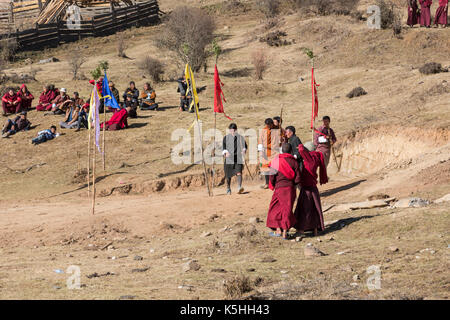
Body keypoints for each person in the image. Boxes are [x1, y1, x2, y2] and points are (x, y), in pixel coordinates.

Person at [266, 143, 302, 240]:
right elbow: (298, 178)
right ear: (291, 151)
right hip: (290, 189)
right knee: (287, 210)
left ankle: (281, 231)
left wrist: (273, 184)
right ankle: (283, 231)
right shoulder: (294, 162)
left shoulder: (276, 161)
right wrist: (294, 184)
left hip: (279, 188)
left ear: (282, 151)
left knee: (275, 209)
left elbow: (272, 175)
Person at [293, 142, 328, 237]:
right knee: (314, 209)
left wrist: (300, 146)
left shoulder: (310, 158)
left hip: (307, 188)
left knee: (305, 210)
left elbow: (301, 150)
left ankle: (301, 230)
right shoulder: (316, 157)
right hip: (313, 188)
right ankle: (315, 230)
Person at [222, 123, 247, 195]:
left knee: (239, 172)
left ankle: (239, 187)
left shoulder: (240, 138)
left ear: (236, 130)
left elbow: (244, 146)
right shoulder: (226, 138)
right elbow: (223, 148)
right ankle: (228, 188)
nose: (232, 131)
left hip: (237, 158)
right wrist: (225, 152)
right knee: (228, 175)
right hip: (229, 159)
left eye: (234, 130)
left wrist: (244, 150)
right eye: (231, 130)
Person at [259, 118, 281, 189]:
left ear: (272, 124)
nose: (268, 126)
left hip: (275, 151)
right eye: (267, 125)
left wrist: (281, 138)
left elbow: (283, 137)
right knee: (266, 168)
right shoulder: (263, 130)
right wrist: (261, 150)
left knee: (274, 168)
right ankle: (267, 183)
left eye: (269, 125)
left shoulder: (278, 129)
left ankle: (275, 183)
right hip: (266, 152)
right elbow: (260, 141)